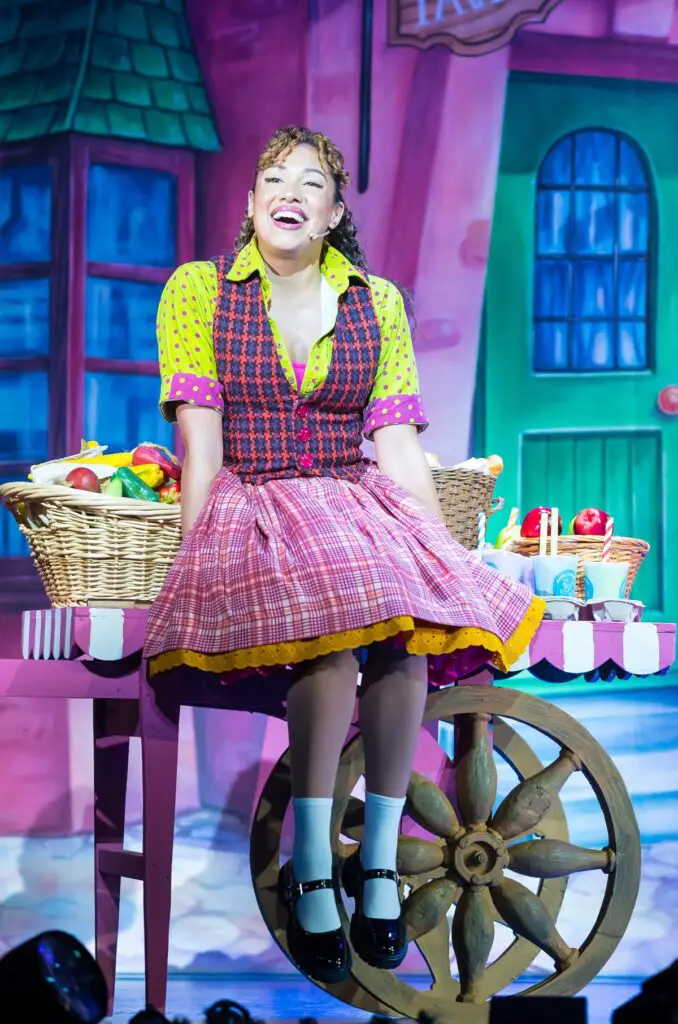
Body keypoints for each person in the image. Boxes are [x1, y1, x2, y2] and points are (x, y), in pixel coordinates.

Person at [145, 126, 544, 984]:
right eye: (273, 177)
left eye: (312, 182)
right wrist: (193, 557)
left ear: (331, 213)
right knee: (330, 635)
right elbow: (200, 439)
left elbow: (395, 442)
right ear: (252, 203)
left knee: (403, 628)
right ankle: (313, 856)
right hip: (256, 501)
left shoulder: (377, 302)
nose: (289, 191)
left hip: (350, 494)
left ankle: (377, 860)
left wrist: (440, 553)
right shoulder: (200, 291)